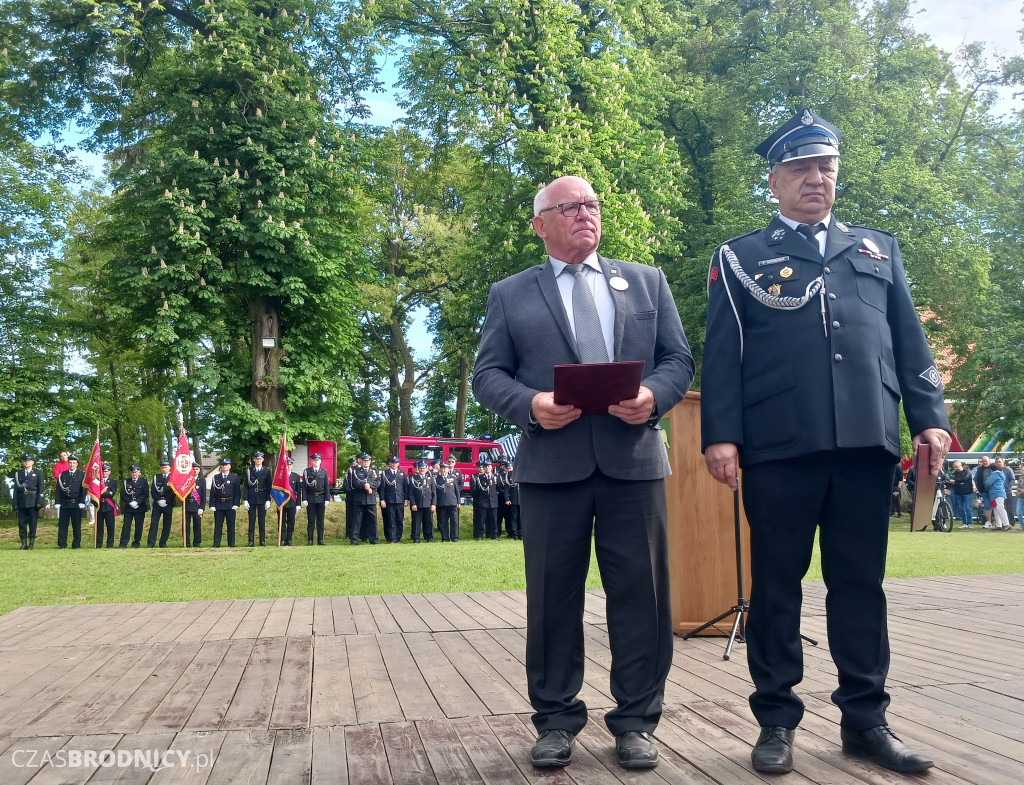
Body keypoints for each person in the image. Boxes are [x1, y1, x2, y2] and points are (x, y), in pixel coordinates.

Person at [701, 108, 951, 775]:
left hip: (866, 442)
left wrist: (930, 414)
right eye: (803, 168)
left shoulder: (877, 248)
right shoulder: (741, 256)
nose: (817, 179)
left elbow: (909, 342)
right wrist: (720, 434)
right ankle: (775, 720)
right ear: (776, 179)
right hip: (780, 444)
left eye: (827, 167)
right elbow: (722, 355)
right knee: (777, 586)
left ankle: (866, 720)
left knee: (860, 586)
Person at [473, 175, 693, 769]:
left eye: (591, 205)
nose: (584, 216)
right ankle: (555, 719)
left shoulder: (646, 281)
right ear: (539, 224)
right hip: (552, 467)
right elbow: (488, 375)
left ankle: (637, 721)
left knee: (642, 597)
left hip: (634, 463)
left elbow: (680, 359)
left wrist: (653, 394)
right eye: (569, 208)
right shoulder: (511, 293)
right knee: (552, 599)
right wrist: (530, 406)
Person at [12, 453, 44, 550]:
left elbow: (41, 489)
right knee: (22, 523)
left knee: (32, 523)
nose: (27, 462)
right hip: (22, 501)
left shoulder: (38, 473)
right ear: (23, 462)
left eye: (29, 461)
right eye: (25, 461)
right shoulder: (18, 474)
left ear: (32, 462)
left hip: (33, 501)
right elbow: (16, 490)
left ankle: (31, 543)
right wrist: (15, 502)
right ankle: (23, 543)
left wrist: (39, 502)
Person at [55, 454, 87, 549]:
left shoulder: (82, 475)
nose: (72, 465)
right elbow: (58, 490)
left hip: (76, 503)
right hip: (64, 503)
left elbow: (83, 490)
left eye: (74, 463)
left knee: (76, 526)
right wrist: (57, 502)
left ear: (77, 464)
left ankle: (76, 544)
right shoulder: (62, 475)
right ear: (68, 464)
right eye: (70, 463)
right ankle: (62, 544)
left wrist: (82, 501)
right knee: (62, 526)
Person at [210, 458, 241, 547]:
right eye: (222, 465)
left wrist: (236, 504)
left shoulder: (234, 477)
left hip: (230, 503)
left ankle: (231, 543)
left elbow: (237, 492)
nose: (224, 466)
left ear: (230, 466)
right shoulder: (216, 477)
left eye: (226, 465)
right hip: (219, 504)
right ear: (220, 466)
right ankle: (216, 543)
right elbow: (213, 492)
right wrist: (212, 504)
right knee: (218, 525)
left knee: (231, 525)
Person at [302, 452, 331, 545]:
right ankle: (310, 540)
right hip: (310, 498)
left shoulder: (324, 472)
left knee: (320, 520)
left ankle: (320, 540)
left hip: (321, 498)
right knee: (310, 521)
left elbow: (327, 486)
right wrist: (304, 498)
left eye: (318, 460)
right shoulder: (307, 472)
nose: (316, 462)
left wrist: (327, 498)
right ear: (312, 461)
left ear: (320, 461)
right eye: (314, 460)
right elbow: (304, 486)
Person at [244, 451, 272, 546]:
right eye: (257, 459)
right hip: (252, 497)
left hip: (262, 497)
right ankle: (251, 541)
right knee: (251, 521)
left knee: (262, 521)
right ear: (254, 460)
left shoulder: (267, 471)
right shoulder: (249, 471)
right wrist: (245, 499)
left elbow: (269, 486)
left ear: (263, 459)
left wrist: (268, 499)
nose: (258, 460)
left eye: (260, 459)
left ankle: (262, 541)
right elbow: (246, 486)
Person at [379, 456, 408, 543]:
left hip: (400, 499)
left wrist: (406, 499)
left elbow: (405, 487)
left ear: (398, 464)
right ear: (390, 464)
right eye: (393, 463)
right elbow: (382, 488)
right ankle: (392, 538)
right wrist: (382, 500)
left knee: (399, 519)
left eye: (396, 463)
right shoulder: (385, 473)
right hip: (389, 500)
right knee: (391, 520)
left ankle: (398, 538)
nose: (394, 464)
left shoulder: (402, 473)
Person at [119, 465, 149, 548]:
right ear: (130, 473)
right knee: (126, 526)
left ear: (139, 473)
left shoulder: (143, 481)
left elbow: (145, 494)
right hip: (129, 507)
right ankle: (123, 543)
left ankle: (136, 542)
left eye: (135, 472)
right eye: (132, 472)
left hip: (140, 507)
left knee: (139, 526)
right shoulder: (126, 482)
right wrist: (130, 502)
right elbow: (123, 495)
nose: (134, 474)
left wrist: (137, 502)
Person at [148, 460, 175, 548]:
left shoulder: (173, 477)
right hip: (157, 504)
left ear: (169, 468)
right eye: (162, 467)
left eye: (165, 467)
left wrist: (166, 500)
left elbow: (174, 491)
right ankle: (151, 543)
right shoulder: (156, 477)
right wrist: (158, 500)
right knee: (154, 523)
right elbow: (153, 490)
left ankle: (163, 542)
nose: (164, 469)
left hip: (168, 504)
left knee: (167, 524)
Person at [470, 458, 499, 539]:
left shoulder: (495, 477)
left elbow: (499, 489)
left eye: (489, 466)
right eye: (485, 467)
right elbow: (476, 490)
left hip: (493, 501)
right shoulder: (479, 478)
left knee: (493, 520)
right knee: (481, 520)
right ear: (484, 468)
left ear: (491, 467)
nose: (487, 468)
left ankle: (493, 535)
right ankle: (479, 535)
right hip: (483, 501)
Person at [407, 460, 436, 542]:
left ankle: (429, 537)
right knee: (416, 522)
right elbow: (411, 493)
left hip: (428, 503)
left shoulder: (430, 479)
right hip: (417, 504)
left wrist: (433, 504)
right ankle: (416, 538)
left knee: (429, 522)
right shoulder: (413, 479)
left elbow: (434, 493)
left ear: (427, 469)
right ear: (418, 469)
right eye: (420, 468)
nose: (422, 470)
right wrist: (413, 504)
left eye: (423, 468)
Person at [434, 462, 461, 542]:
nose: (443, 470)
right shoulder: (436, 479)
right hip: (441, 503)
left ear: (448, 469)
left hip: (452, 502)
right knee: (443, 522)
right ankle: (445, 538)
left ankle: (454, 537)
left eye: (445, 468)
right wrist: (435, 503)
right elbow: (434, 492)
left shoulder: (452, 478)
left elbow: (457, 491)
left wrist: (458, 502)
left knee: (454, 521)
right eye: (442, 468)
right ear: (440, 469)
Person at [93, 464, 118, 548]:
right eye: (103, 471)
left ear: (109, 472)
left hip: (108, 507)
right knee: (99, 527)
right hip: (99, 506)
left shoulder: (113, 482)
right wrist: (104, 493)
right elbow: (93, 492)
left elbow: (111, 493)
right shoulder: (97, 481)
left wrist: (100, 493)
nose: (105, 473)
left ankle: (110, 544)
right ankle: (98, 544)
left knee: (110, 526)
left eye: (106, 471)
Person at [280, 458, 302, 546]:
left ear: (292, 466)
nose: (288, 467)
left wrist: (298, 504)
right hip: (282, 502)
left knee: (291, 522)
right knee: (281, 522)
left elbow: (298, 492)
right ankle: (282, 539)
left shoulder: (296, 476)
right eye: (287, 465)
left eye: (290, 465)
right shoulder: (280, 476)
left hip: (292, 503)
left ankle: (289, 539)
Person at [184, 463, 206, 547]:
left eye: (196, 469)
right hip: (187, 505)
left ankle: (197, 543)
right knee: (186, 526)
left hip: (197, 506)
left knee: (197, 525)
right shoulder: (186, 480)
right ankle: (186, 542)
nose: (195, 471)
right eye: (193, 469)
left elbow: (203, 495)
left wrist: (202, 508)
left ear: (199, 470)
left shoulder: (202, 481)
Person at [950, 460, 975, 529]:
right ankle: (964, 523)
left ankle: (969, 523)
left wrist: (955, 481)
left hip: (967, 493)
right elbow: (951, 481)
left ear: (961, 465)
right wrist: (958, 483)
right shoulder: (954, 473)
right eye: (954, 467)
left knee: (968, 508)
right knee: (961, 509)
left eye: (957, 466)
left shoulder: (968, 472)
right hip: (958, 493)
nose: (956, 468)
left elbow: (965, 479)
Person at [985, 464, 1010, 530]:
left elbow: (988, 483)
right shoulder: (1001, 474)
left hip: (996, 493)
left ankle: (1006, 524)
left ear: (991, 469)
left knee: (1000, 508)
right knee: (996, 508)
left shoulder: (994, 474)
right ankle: (998, 525)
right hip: (998, 493)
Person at [502, 460, 522, 540]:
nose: (509, 469)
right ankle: (515, 534)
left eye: (510, 467)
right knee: (513, 517)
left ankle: (521, 534)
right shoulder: (508, 476)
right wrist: (507, 499)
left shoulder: (519, 475)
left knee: (520, 517)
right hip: (513, 500)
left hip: (521, 500)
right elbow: (506, 489)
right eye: (508, 468)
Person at [342, 458, 359, 544]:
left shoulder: (358, 474)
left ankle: (358, 534)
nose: (353, 466)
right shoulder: (347, 475)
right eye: (352, 465)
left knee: (358, 517)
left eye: (355, 465)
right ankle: (349, 533)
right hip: (350, 498)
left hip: (358, 498)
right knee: (349, 517)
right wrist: (351, 491)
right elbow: (345, 486)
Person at [973, 456, 994, 528]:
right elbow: (975, 479)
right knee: (987, 506)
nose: (985, 463)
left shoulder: (993, 468)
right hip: (984, 490)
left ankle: (998, 522)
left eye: (986, 461)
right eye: (983, 461)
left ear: (989, 461)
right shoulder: (979, 469)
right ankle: (988, 522)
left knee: (995, 506)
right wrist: (977, 486)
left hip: (993, 490)